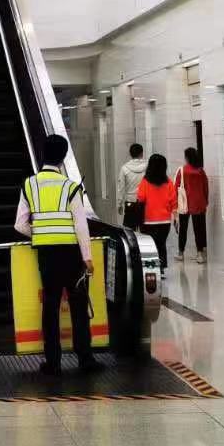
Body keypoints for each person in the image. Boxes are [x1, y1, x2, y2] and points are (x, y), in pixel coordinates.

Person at [14, 133, 98, 375]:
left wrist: (40, 233)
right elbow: (81, 225)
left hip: (46, 254)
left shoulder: (29, 185)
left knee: (50, 307)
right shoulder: (70, 187)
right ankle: (85, 360)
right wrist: (87, 257)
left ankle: (52, 363)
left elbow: (19, 225)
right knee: (78, 306)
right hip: (72, 254)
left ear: (43, 155)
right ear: (63, 158)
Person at [136, 153, 177, 271]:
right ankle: (161, 267)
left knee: (150, 246)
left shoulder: (145, 182)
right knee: (161, 243)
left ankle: (152, 268)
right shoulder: (168, 182)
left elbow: (140, 199)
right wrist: (175, 216)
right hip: (164, 221)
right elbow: (173, 201)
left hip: (148, 221)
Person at [175, 147, 210, 264]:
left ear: (187, 157)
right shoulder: (200, 171)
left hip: (185, 203)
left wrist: (176, 203)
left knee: (183, 229)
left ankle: (181, 253)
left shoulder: (182, 170)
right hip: (199, 203)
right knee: (198, 229)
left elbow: (176, 187)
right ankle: (200, 254)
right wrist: (205, 200)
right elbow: (205, 187)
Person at [116, 142, 147, 229]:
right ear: (142, 153)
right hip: (144, 203)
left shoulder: (124, 168)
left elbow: (121, 188)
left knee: (130, 231)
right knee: (145, 231)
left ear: (130, 154)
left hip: (130, 202)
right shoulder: (148, 167)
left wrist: (119, 204)